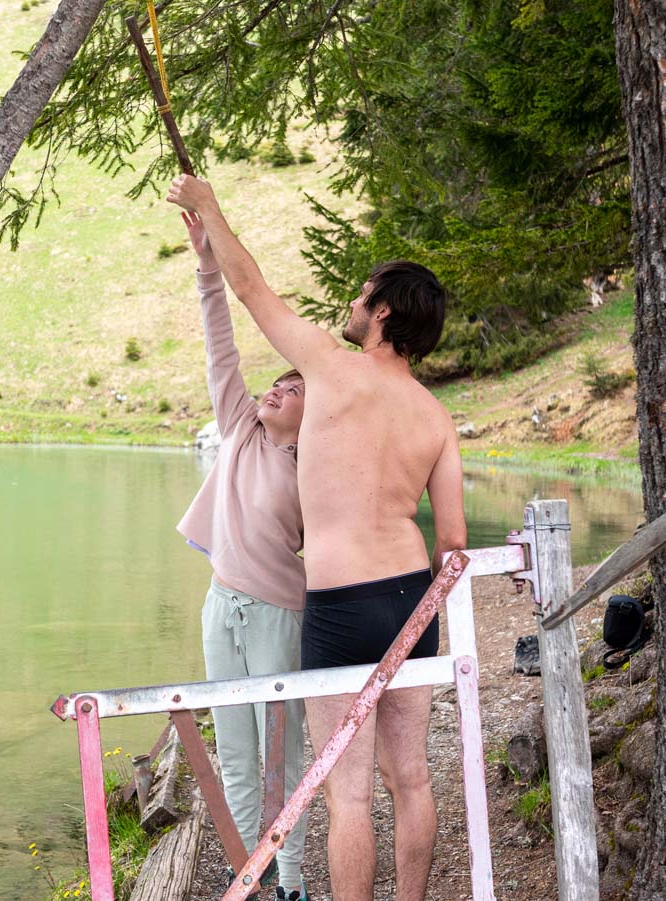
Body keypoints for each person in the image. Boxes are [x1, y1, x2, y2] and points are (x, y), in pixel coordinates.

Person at [168, 177, 467, 901]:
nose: (353, 305)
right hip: (411, 601)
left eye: (363, 296)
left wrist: (209, 208)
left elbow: (250, 288)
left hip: (340, 605)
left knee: (349, 793)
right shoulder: (435, 417)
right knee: (412, 778)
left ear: (383, 311)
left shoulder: (330, 367)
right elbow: (453, 545)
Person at [175, 210, 311, 901]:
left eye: (294, 388)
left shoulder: (315, 468)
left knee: (280, 755)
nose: (276, 388)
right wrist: (207, 265)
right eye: (277, 382)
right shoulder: (238, 425)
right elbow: (220, 349)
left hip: (278, 616)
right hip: (220, 606)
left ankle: (292, 880)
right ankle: (245, 872)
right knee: (233, 749)